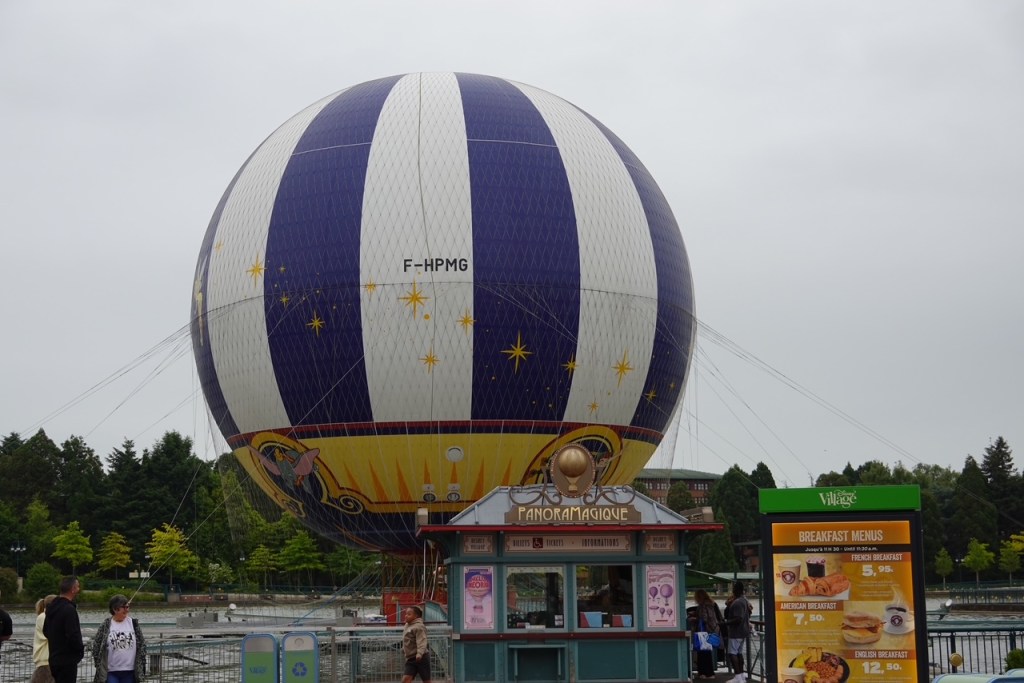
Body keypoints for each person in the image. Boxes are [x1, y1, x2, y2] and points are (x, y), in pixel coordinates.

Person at [91, 594, 147, 683]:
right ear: (115, 609)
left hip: (130, 671)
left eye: (127, 607)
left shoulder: (133, 624)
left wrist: (141, 664)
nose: (126, 610)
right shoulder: (105, 625)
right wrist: (99, 666)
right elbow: (96, 647)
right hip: (110, 672)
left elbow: (142, 644)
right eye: (123, 607)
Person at [44, 576, 85, 683]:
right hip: (67, 660)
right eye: (78, 587)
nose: (79, 589)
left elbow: (45, 630)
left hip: (54, 657)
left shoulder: (51, 608)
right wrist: (79, 650)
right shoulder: (69, 609)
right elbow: (73, 634)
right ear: (73, 589)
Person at [724, 581, 753, 683]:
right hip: (743, 632)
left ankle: (738, 676)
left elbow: (738, 619)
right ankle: (741, 676)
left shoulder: (737, 603)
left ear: (735, 590)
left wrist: (725, 623)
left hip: (736, 632)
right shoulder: (744, 601)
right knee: (739, 653)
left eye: (733, 589)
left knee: (732, 653)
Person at [689, 589, 720, 680]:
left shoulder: (702, 605)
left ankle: (706, 673)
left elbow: (704, 618)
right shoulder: (710, 604)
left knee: (703, 653)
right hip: (711, 630)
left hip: (704, 632)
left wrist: (694, 618)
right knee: (706, 652)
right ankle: (706, 673)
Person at [401, 605, 432, 683]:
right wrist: (403, 649)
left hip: (421, 658)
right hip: (410, 658)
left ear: (416, 616)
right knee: (405, 680)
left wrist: (420, 653)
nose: (406, 616)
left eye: (409, 614)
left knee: (426, 681)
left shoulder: (419, 627)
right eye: (406, 614)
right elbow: (408, 640)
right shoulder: (407, 625)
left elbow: (422, 641)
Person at [32, 595, 58, 683]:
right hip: (45, 661)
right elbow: (54, 633)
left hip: (47, 661)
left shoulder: (44, 616)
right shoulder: (44, 617)